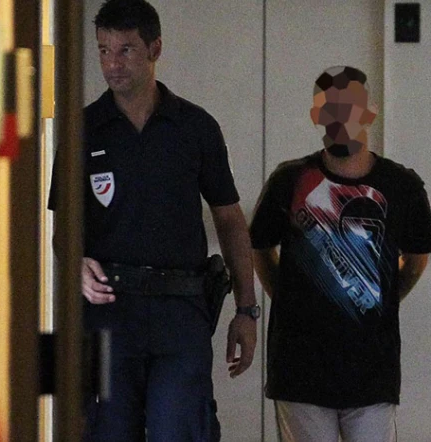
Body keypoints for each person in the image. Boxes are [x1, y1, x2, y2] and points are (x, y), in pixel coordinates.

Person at [48, 1, 258, 440]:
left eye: (125, 50)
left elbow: (229, 220)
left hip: (179, 311)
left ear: (155, 49)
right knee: (104, 431)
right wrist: (74, 263)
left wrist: (246, 309)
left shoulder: (195, 128)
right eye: (103, 50)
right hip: (107, 311)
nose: (112, 64)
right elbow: (62, 227)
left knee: (181, 429)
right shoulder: (82, 129)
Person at [249, 66, 431, 442]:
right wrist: (289, 298)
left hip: (372, 373)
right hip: (300, 372)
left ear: (369, 112)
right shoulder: (289, 181)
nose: (340, 117)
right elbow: (259, 247)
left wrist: (380, 300)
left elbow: (416, 258)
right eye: (330, 108)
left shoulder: (401, 186)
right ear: (316, 115)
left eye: (349, 106)